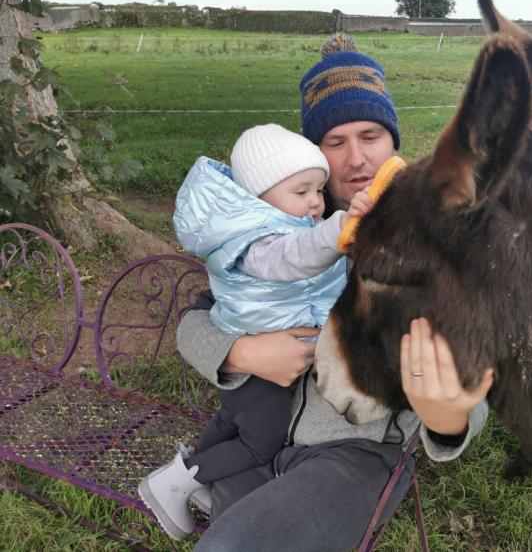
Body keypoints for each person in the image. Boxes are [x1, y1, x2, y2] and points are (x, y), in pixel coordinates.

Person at [176, 34, 494, 551]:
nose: (356, 160)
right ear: (314, 156)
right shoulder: (291, 226)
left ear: (394, 140)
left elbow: (470, 371)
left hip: (352, 455)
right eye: (335, 142)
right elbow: (197, 320)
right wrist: (241, 351)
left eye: (370, 135)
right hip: (256, 439)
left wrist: (450, 418)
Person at [138, 124, 373, 540]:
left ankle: (197, 477)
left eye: (318, 191)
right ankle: (177, 481)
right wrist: (339, 229)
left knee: (231, 421)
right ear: (256, 198)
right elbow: (293, 259)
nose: (316, 203)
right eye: (301, 193)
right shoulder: (259, 242)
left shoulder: (272, 227)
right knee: (260, 442)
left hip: (262, 378)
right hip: (260, 368)